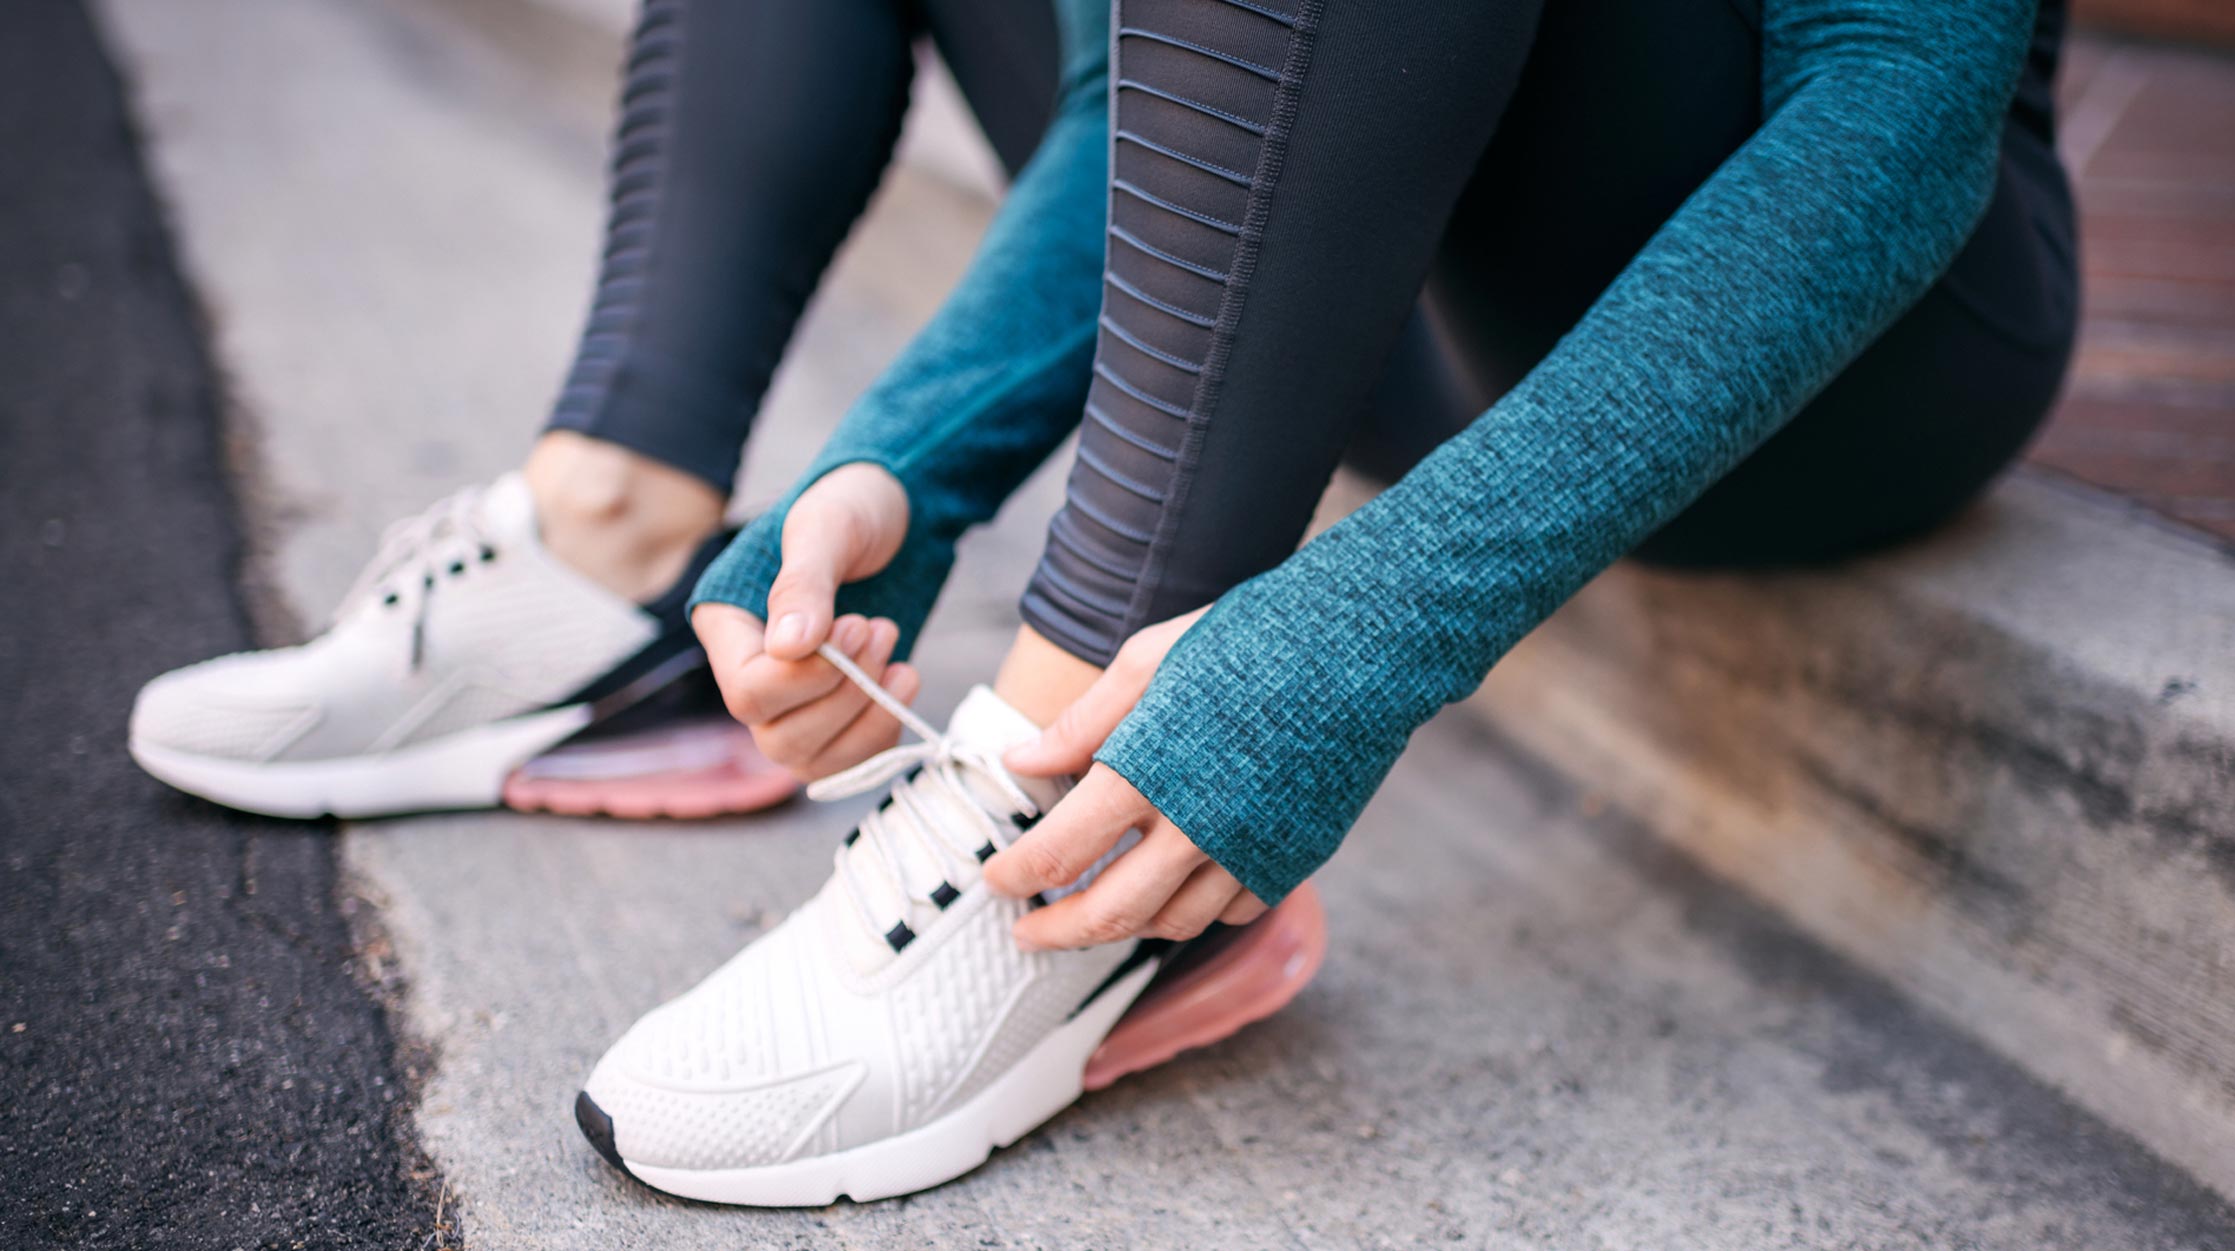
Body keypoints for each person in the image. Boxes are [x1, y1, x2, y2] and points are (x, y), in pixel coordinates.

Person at [136, 0, 2077, 1207]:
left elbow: (1892, 119)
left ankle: (1054, 800)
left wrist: (1339, 643)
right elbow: (1192, 106)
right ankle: (611, 540)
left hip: (1854, 363)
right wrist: (900, 464)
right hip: (1427, 299)